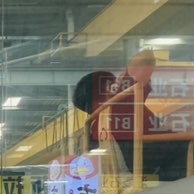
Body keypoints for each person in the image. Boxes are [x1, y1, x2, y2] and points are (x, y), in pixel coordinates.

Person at [73, 50, 188, 182]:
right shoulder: (120, 103)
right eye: (114, 82)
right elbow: (146, 56)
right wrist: (124, 77)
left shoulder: (92, 129)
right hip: (163, 163)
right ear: (107, 88)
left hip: (146, 171)